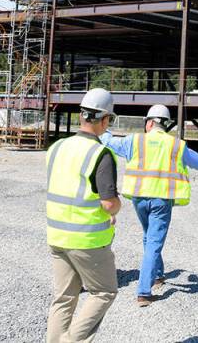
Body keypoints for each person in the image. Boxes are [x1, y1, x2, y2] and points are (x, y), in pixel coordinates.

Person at [100, 104, 198, 306]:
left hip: (138, 198)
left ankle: (158, 274)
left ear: (150, 122)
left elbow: (108, 142)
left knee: (149, 237)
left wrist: (103, 125)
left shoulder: (134, 141)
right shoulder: (176, 145)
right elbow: (196, 161)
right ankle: (144, 291)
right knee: (154, 242)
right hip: (162, 200)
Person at [46, 88, 122, 343]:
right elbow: (109, 203)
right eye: (109, 119)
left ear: (81, 116)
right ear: (104, 119)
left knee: (64, 298)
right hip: (88, 240)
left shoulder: (57, 147)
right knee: (104, 292)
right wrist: (116, 208)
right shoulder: (101, 154)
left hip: (57, 236)